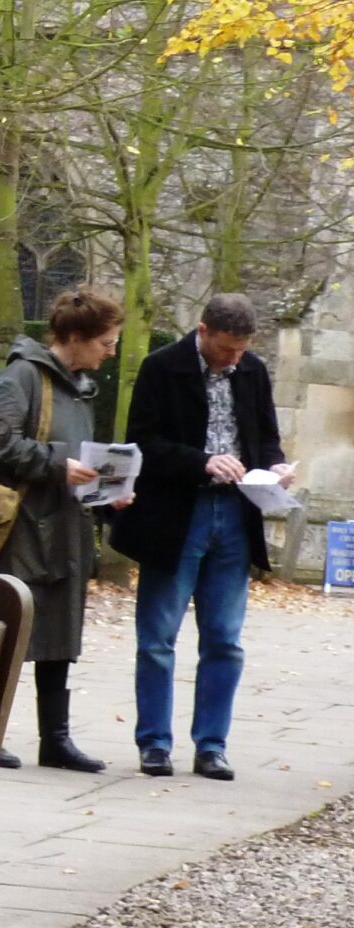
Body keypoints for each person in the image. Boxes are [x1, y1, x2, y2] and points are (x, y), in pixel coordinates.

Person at [115, 293, 295, 781]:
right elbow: (143, 443)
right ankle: (154, 743)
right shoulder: (161, 367)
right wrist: (201, 462)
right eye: (225, 349)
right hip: (177, 513)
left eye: (240, 350)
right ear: (203, 330)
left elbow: (265, 435)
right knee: (158, 637)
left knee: (225, 639)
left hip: (236, 513)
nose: (233, 359)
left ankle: (212, 745)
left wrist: (274, 467)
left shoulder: (252, 371)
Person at [0, 289, 127, 773]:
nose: (110, 352)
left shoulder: (80, 387)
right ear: (74, 337)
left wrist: (109, 489)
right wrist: (56, 464)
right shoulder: (22, 377)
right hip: (22, 526)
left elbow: (80, 460)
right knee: (11, 631)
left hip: (66, 525)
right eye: (105, 343)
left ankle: (55, 739)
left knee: (60, 632)